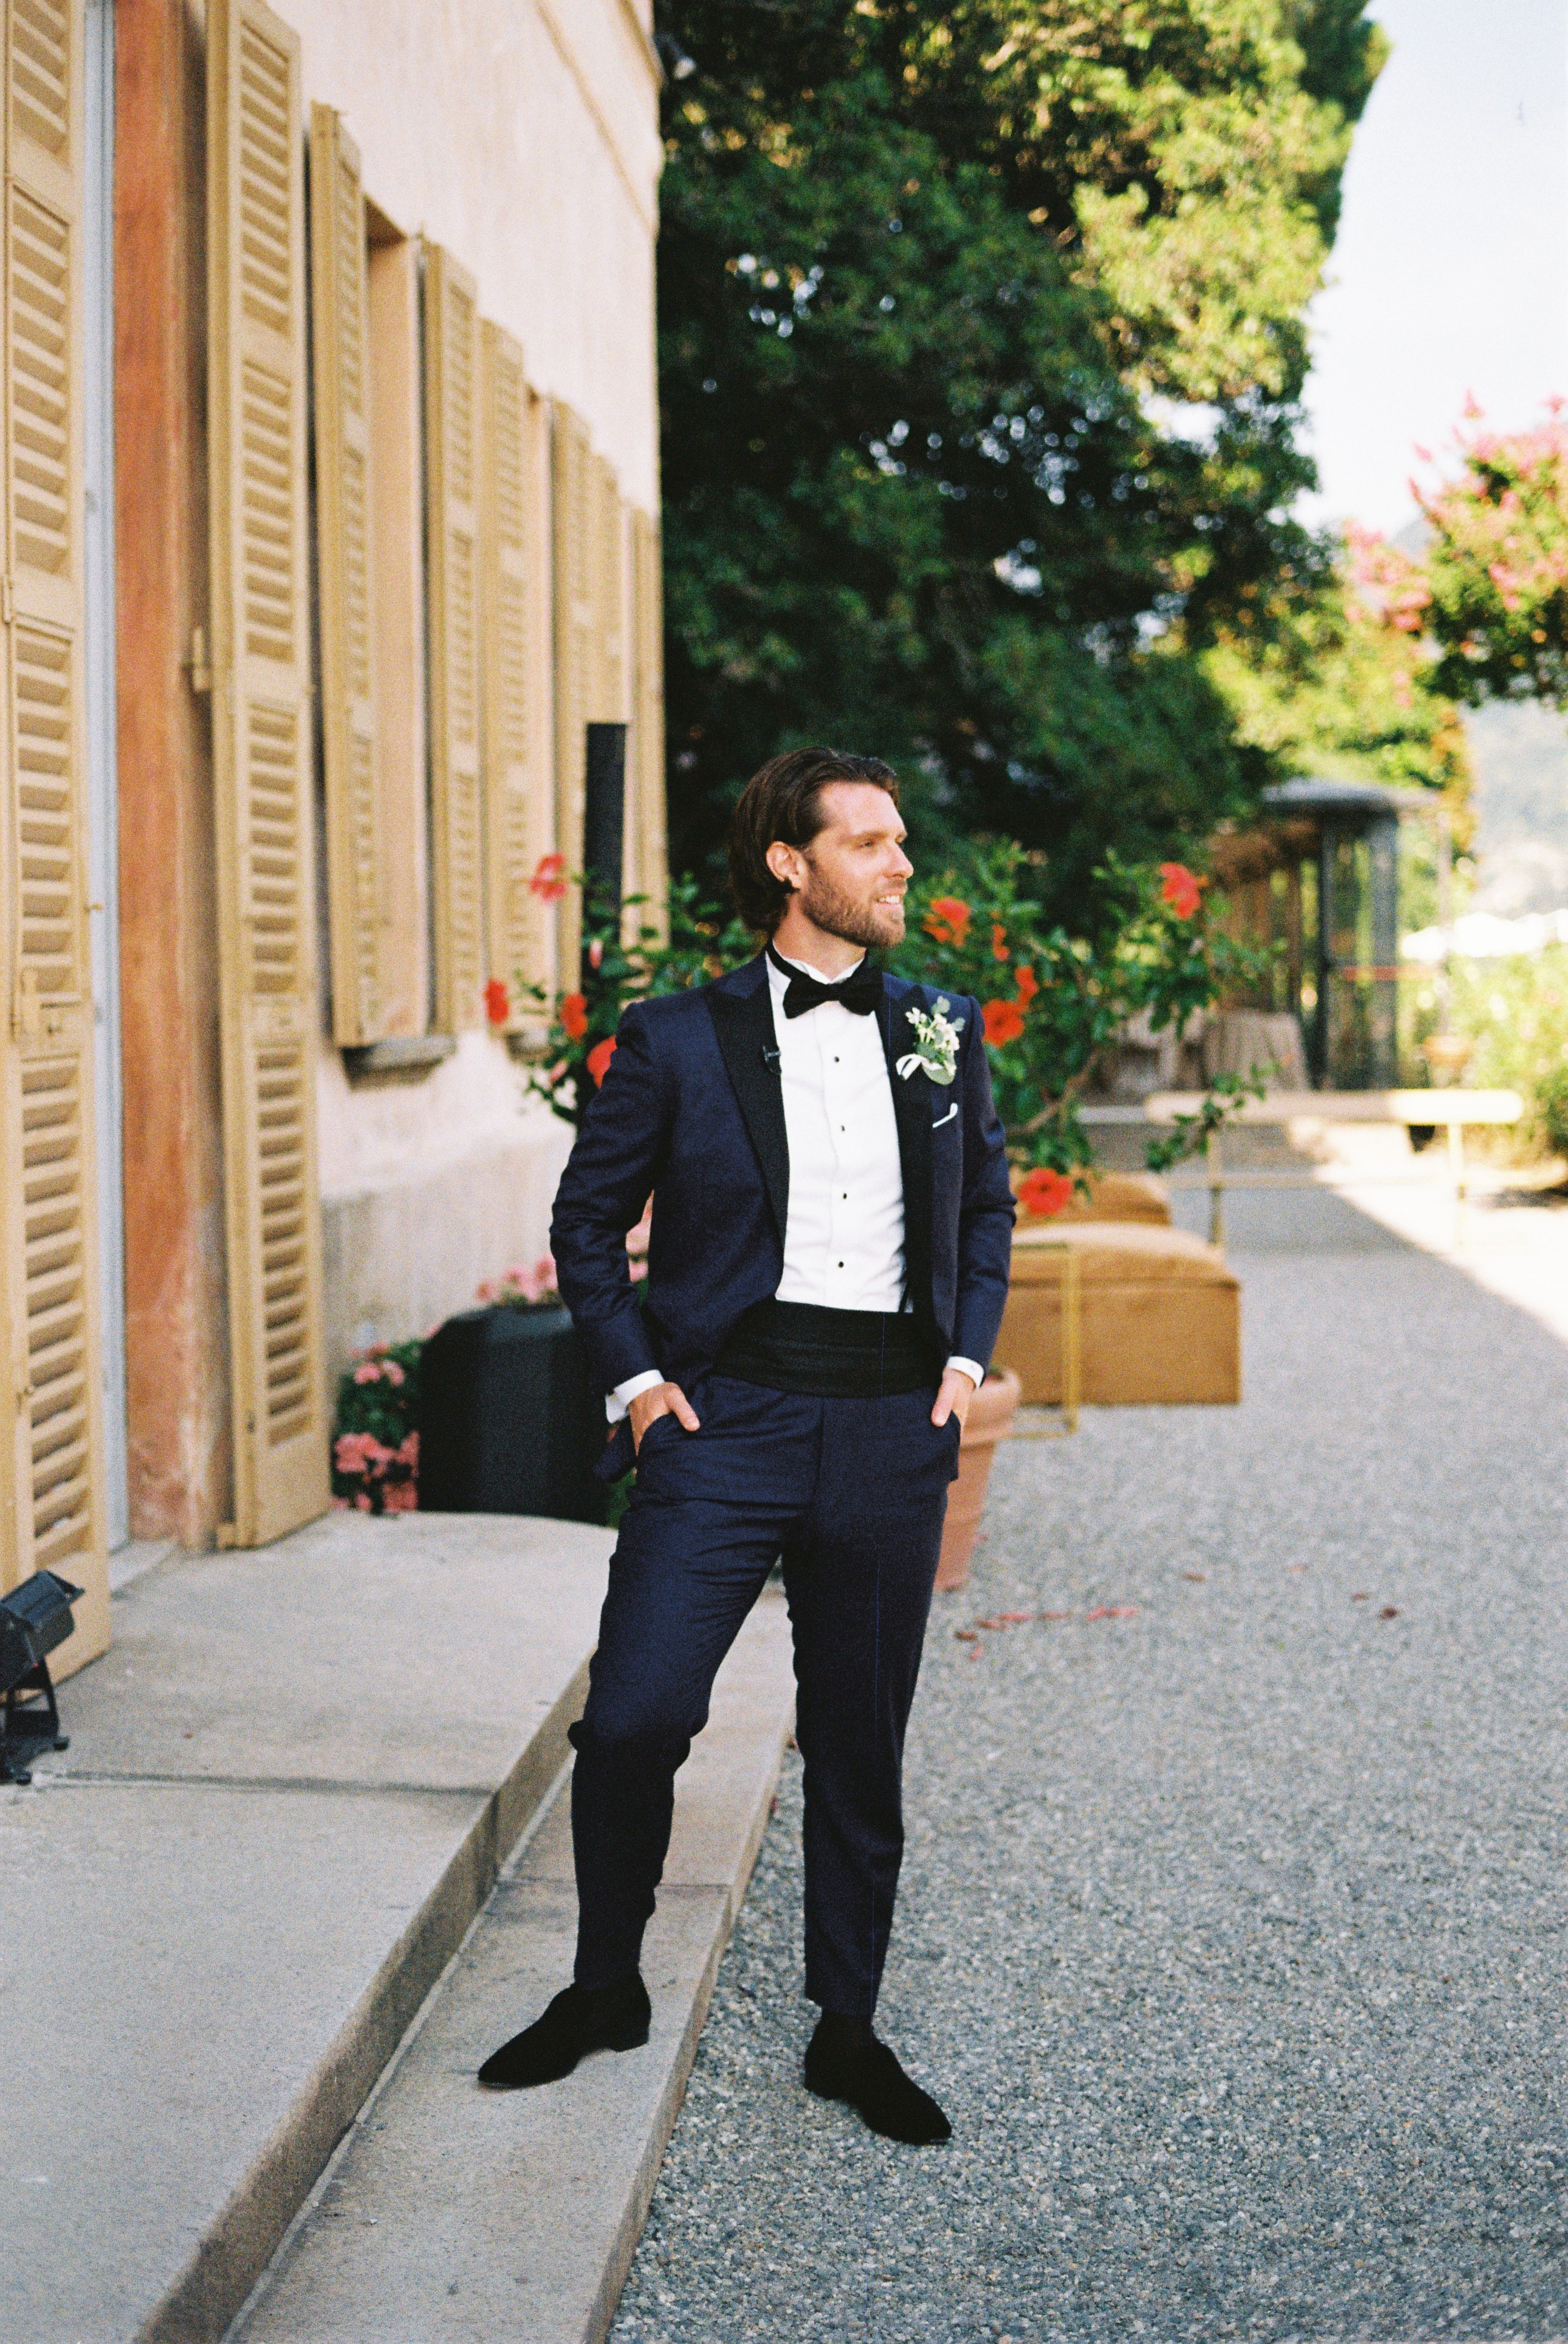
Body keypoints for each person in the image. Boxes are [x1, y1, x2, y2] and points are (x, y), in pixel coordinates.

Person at [478, 746, 1016, 2143]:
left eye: (901, 841)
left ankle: (847, 2028)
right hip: (725, 1423)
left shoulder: (944, 1027)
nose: (901, 864)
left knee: (857, 1744)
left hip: (892, 1427)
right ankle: (605, 1987)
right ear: (790, 862)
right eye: (872, 843)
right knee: (638, 1713)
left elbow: (983, 1216)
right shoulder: (673, 1038)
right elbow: (585, 1225)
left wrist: (961, 1363)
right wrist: (639, 1383)